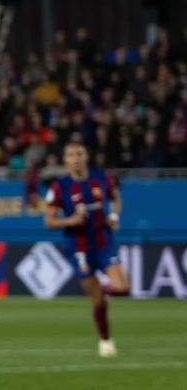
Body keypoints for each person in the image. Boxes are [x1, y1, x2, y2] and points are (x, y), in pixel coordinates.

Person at [44, 142, 129, 357]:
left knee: (122, 288)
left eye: (79, 154)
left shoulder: (102, 178)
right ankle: (106, 340)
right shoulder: (59, 187)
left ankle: (104, 293)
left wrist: (114, 216)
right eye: (71, 155)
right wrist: (70, 220)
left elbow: (116, 199)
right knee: (98, 299)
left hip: (103, 242)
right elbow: (49, 222)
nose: (76, 158)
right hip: (78, 248)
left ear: (86, 156)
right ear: (65, 160)